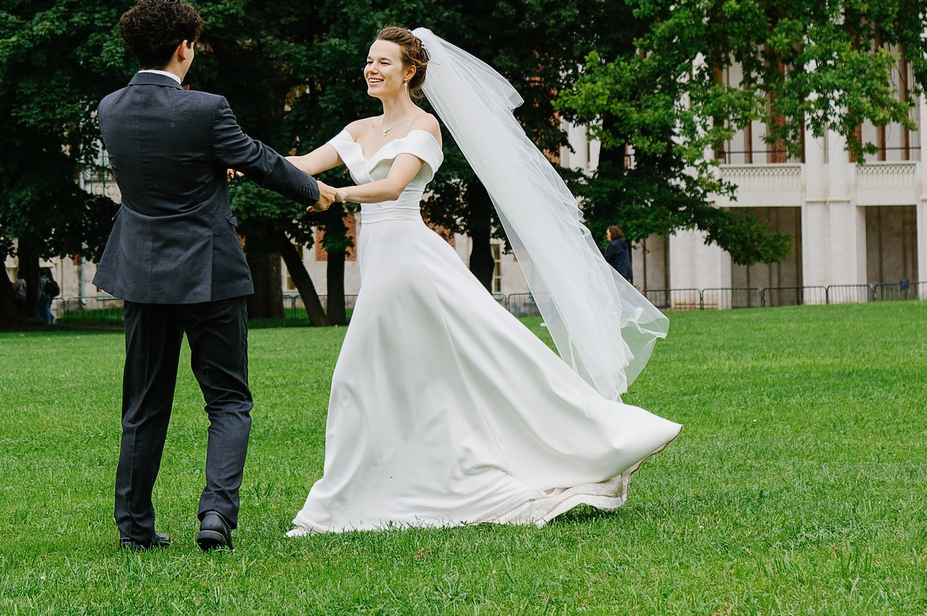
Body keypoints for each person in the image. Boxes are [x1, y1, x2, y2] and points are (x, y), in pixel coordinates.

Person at [285, 27, 680, 537]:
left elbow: (390, 186)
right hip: (382, 260)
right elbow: (300, 164)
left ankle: (598, 435)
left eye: (384, 62)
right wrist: (243, 162)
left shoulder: (425, 128)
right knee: (429, 370)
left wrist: (336, 195)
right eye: (369, 60)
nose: (372, 69)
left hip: (409, 260)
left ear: (410, 72)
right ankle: (394, 480)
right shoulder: (358, 129)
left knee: (367, 373)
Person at [94, 0, 334, 553]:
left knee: (143, 405)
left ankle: (134, 529)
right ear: (184, 48)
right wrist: (313, 191)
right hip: (209, 273)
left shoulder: (109, 108)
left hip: (143, 274)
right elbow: (256, 157)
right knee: (228, 400)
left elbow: (164, 165)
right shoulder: (206, 109)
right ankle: (216, 517)